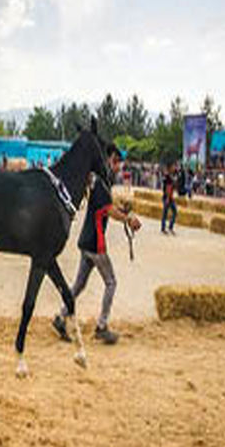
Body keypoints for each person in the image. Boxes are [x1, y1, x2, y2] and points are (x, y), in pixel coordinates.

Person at [53, 144, 141, 345]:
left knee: (79, 285)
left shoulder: (99, 183)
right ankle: (102, 326)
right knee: (111, 282)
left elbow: (106, 207)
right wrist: (129, 219)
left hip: (86, 241)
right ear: (109, 160)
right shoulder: (101, 183)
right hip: (95, 244)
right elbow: (109, 210)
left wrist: (123, 212)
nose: (118, 167)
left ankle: (60, 317)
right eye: (117, 162)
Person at [161, 165, 177, 234]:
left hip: (168, 197)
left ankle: (165, 227)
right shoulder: (168, 177)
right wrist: (168, 198)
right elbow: (168, 188)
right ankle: (167, 227)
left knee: (166, 213)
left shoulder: (167, 177)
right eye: (173, 167)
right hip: (168, 197)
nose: (174, 168)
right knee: (173, 212)